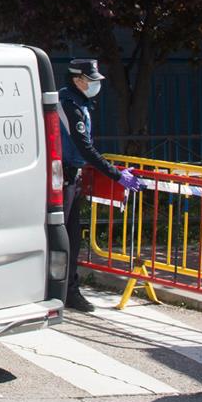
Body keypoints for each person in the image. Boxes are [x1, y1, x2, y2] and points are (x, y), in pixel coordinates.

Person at [57, 58, 142, 313]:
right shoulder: (68, 105)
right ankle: (64, 291)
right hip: (62, 177)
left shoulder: (77, 102)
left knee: (72, 237)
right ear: (77, 80)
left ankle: (68, 291)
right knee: (62, 237)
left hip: (71, 176)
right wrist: (117, 175)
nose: (95, 85)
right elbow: (84, 147)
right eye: (91, 80)